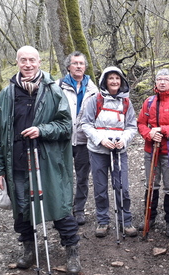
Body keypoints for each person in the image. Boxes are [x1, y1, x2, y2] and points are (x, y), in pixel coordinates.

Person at [0, 46, 81, 275]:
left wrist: (42, 129)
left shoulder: (53, 91)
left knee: (59, 205)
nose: (28, 64)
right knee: (21, 210)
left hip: (48, 162)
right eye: (23, 60)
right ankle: (28, 249)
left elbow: (65, 126)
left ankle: (72, 251)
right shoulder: (6, 94)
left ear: (39, 62)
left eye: (32, 60)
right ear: (17, 62)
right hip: (17, 163)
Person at [80, 66, 138, 238]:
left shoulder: (126, 102)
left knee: (123, 187)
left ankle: (126, 221)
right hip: (98, 150)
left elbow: (131, 126)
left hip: (119, 151)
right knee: (100, 187)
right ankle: (103, 221)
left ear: (122, 82)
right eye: (111, 78)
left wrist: (124, 139)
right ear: (105, 81)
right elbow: (86, 124)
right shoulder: (94, 100)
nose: (114, 81)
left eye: (117, 78)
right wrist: (100, 139)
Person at [137, 69, 169, 238]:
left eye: (166, 79)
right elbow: (141, 123)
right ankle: (149, 218)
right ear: (155, 82)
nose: (162, 82)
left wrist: (162, 130)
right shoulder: (149, 102)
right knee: (151, 184)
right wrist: (148, 133)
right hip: (151, 150)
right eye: (159, 79)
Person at [57, 51, 99, 226]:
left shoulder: (93, 88)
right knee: (62, 176)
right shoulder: (58, 86)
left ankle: (79, 209)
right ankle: (63, 210)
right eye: (75, 63)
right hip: (63, 140)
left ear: (85, 67)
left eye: (82, 63)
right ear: (68, 66)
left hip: (84, 140)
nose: (79, 66)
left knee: (82, 177)